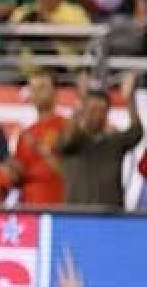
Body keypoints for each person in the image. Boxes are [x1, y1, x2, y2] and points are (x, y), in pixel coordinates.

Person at [59, 76, 143, 209]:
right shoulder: (74, 141)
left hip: (109, 217)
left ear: (107, 112)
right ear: (83, 109)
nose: (97, 114)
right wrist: (78, 105)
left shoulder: (114, 141)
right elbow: (66, 141)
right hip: (76, 215)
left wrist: (129, 98)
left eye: (101, 110)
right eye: (92, 109)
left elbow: (136, 132)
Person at [8, 70, 66, 206]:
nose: (36, 93)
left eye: (42, 88)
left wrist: (41, 150)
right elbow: (19, 177)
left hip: (59, 206)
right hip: (29, 207)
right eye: (33, 89)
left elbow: (71, 172)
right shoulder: (25, 134)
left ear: (55, 92)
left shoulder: (67, 127)